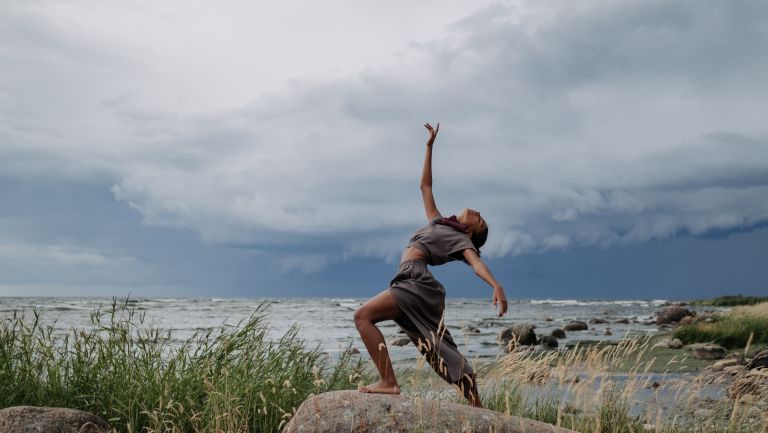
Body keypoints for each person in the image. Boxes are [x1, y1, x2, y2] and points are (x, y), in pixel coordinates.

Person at [353, 122, 508, 408]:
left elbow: (475, 264)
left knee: (362, 316)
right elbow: (425, 186)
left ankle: (388, 383)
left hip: (416, 281)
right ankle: (476, 405)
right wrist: (429, 147)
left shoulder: (463, 241)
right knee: (439, 349)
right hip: (408, 280)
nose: (477, 213)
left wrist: (495, 284)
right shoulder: (439, 222)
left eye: (480, 219)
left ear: (472, 232)